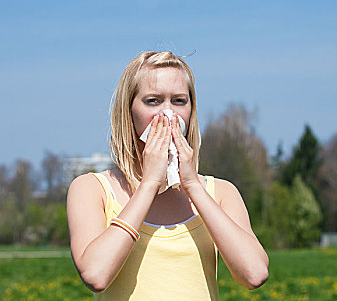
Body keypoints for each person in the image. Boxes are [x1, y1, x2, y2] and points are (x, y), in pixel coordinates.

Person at [67, 51, 269, 300]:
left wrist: (193, 185)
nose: (167, 114)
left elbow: (254, 274)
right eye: (153, 101)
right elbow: (96, 275)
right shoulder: (92, 189)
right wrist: (149, 183)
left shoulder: (221, 192)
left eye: (179, 101)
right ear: (129, 111)